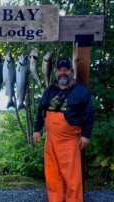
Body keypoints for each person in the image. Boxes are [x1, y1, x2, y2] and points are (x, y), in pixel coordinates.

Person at [33, 57, 94, 202]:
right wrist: (37, 129)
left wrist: (86, 136)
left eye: (66, 70)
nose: (63, 73)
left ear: (72, 72)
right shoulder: (49, 90)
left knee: (72, 176)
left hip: (70, 141)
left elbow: (88, 114)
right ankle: (56, 199)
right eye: (60, 70)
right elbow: (41, 110)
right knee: (53, 175)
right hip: (51, 140)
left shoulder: (81, 91)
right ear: (55, 72)